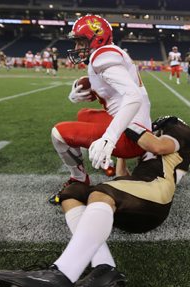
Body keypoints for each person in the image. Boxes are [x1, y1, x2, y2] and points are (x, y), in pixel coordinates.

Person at [0, 116, 190, 287]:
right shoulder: (149, 139)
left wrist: (122, 121)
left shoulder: (181, 130)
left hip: (156, 196)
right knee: (71, 192)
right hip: (138, 198)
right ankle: (105, 269)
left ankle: (62, 275)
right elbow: (123, 175)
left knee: (101, 193)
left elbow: (156, 146)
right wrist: (120, 155)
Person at [48, 14, 152, 205]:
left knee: (58, 133)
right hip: (136, 127)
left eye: (81, 42)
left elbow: (133, 97)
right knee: (83, 115)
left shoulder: (102, 56)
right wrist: (84, 92)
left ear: (98, 37)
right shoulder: (106, 54)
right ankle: (107, 163)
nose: (78, 48)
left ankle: (78, 179)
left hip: (132, 137)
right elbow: (113, 91)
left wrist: (109, 139)